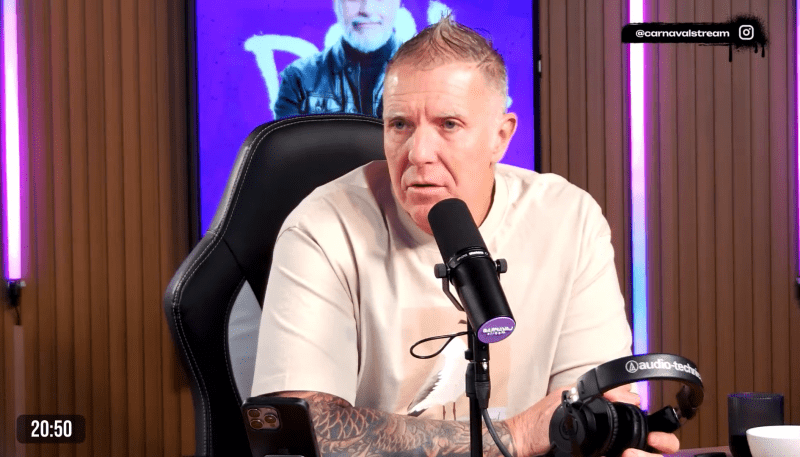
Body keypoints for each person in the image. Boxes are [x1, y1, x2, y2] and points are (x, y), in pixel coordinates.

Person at [252, 15, 680, 457]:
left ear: (500, 137)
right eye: (399, 125)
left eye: (449, 124)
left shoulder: (569, 218)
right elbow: (299, 431)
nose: (418, 153)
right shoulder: (322, 229)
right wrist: (515, 436)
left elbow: (590, 411)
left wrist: (613, 438)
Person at [273, 0, 402, 119]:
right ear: (337, 4)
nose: (367, 9)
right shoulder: (298, 79)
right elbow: (286, 137)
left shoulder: (416, 74)